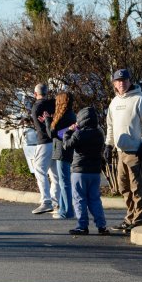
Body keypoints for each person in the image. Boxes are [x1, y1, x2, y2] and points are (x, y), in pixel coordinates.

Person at [105, 68, 142, 233]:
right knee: (123, 186)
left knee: (137, 187)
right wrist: (108, 145)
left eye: (124, 80)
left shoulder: (140, 100)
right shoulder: (114, 102)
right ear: (114, 83)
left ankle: (138, 219)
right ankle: (129, 217)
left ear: (129, 81)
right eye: (118, 81)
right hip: (120, 152)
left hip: (135, 151)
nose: (121, 83)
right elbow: (110, 126)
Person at [63, 107, 110, 235]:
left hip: (80, 171)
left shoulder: (79, 134)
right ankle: (101, 225)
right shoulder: (99, 133)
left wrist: (69, 131)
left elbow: (67, 145)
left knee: (79, 199)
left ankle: (82, 225)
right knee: (95, 199)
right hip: (95, 171)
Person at [44, 91, 76, 219]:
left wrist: (47, 121)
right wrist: (50, 121)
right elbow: (57, 132)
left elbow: (51, 134)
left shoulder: (63, 116)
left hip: (61, 151)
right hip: (65, 150)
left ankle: (67, 211)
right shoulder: (70, 114)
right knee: (64, 181)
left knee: (64, 182)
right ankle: (63, 209)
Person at [30, 83, 60, 215]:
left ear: (35, 94)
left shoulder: (36, 107)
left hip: (43, 142)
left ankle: (46, 201)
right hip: (56, 141)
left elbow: (40, 126)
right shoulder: (54, 104)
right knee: (55, 173)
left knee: (40, 171)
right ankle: (55, 201)